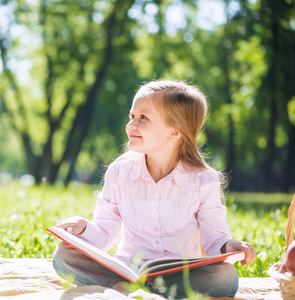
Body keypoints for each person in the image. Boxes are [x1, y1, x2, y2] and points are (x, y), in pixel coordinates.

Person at [52, 80, 256, 298]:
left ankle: (133, 291)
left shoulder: (203, 181)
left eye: (143, 118)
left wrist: (229, 246)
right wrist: (83, 228)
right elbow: (104, 234)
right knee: (63, 255)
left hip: (180, 274)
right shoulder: (119, 173)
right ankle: (128, 286)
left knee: (225, 276)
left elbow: (213, 239)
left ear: (175, 132)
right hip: (127, 269)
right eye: (132, 116)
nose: (131, 125)